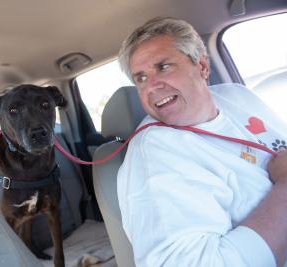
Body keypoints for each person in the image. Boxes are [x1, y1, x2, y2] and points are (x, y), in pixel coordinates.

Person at [117, 17, 287, 267]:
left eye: (163, 67)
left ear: (203, 67)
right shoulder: (154, 155)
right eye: (140, 78)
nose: (151, 86)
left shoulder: (237, 96)